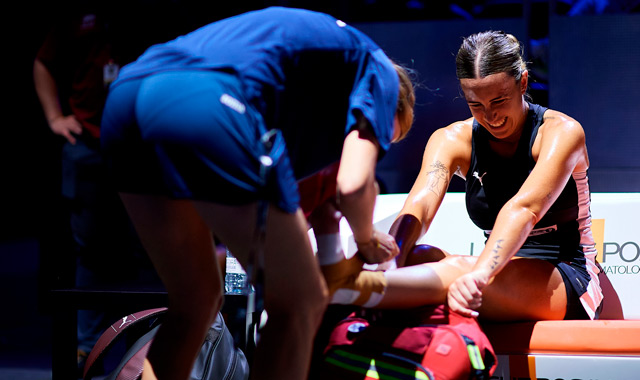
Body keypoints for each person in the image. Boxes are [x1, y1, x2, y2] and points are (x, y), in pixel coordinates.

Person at [99, 7, 415, 380]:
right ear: (387, 107)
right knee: (300, 302)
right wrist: (367, 239)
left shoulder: (305, 100)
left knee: (196, 300)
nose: (376, 146)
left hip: (126, 95)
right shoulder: (378, 71)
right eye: (385, 139)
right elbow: (355, 185)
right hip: (200, 95)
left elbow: (303, 210)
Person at [320, 30, 603, 322]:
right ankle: (355, 301)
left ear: (523, 82)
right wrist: (392, 261)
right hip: (500, 270)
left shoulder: (561, 132)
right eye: (476, 105)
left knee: (456, 272)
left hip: (567, 274)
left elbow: (524, 209)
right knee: (417, 257)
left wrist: (479, 275)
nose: (491, 117)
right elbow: (419, 206)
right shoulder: (452, 139)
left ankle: (343, 290)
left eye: (499, 101)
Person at [33, 8, 160, 374]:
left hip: (141, 147)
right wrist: (54, 117)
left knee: (148, 247)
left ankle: (146, 345)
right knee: (91, 251)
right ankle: (88, 349)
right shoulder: (76, 16)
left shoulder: (153, 17)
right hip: (88, 147)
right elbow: (43, 62)